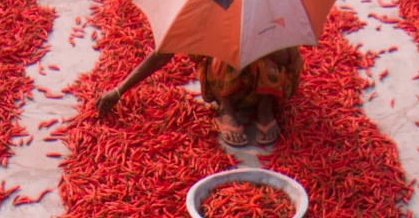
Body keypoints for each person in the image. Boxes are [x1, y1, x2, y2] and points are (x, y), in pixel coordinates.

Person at [95, 45, 303, 149]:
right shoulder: (211, 9)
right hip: (228, 89)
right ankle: (227, 110)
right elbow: (163, 53)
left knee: (267, 54)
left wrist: (259, 44)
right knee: (224, 52)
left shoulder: (271, 10)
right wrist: (120, 90)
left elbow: (288, 59)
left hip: (264, 90)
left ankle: (265, 109)